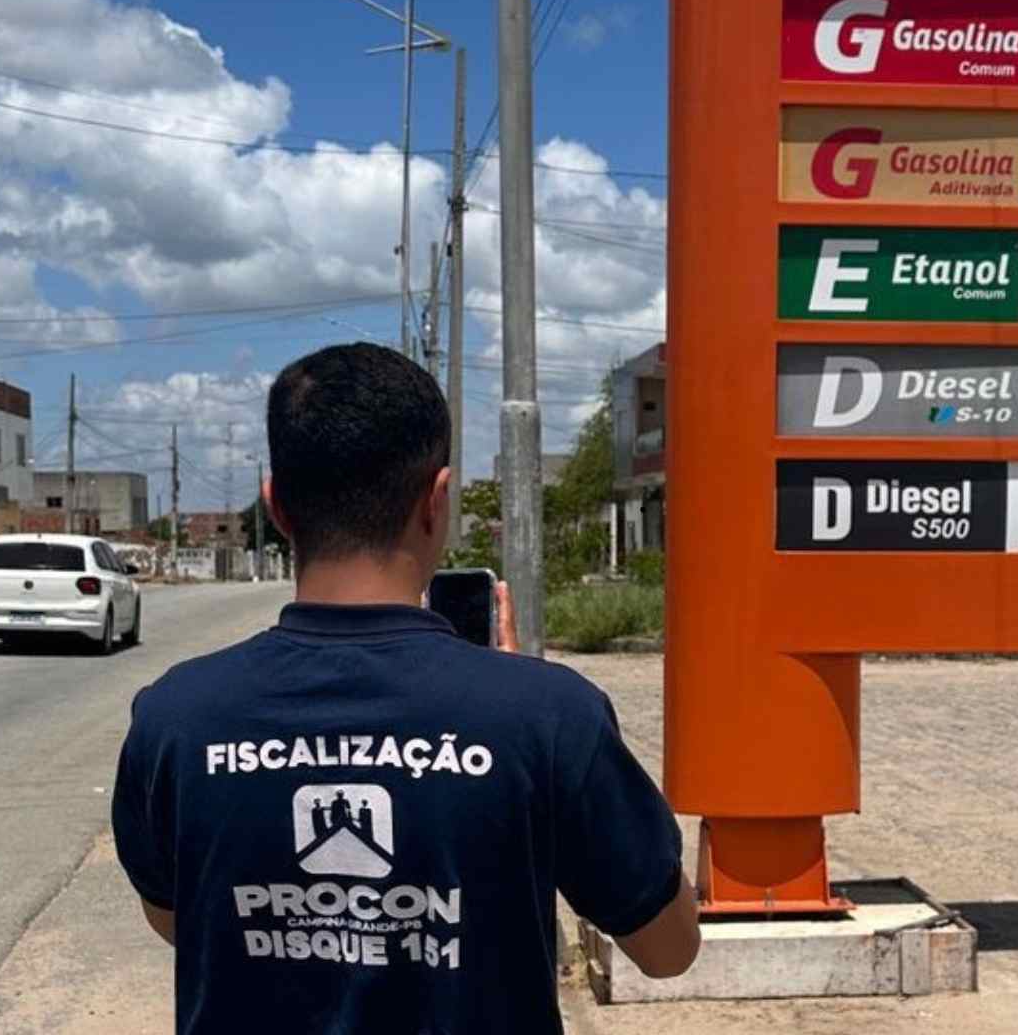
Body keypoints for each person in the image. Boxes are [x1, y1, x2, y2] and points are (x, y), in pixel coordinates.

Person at [112, 343, 699, 1034]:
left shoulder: (176, 717)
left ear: (277, 506)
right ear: (438, 498)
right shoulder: (549, 715)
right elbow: (668, 949)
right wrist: (512, 700)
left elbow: (178, 920)